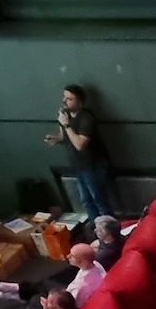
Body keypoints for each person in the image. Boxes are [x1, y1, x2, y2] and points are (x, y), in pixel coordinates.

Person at [43, 85, 113, 222]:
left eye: (70, 99)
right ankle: (96, 227)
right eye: (64, 97)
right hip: (78, 166)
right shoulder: (66, 115)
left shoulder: (86, 119)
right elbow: (66, 137)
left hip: (93, 166)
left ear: (79, 102)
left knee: (99, 200)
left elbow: (80, 144)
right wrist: (56, 138)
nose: (64, 101)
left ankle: (110, 227)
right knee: (86, 201)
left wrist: (66, 125)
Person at [63, 242, 106, 308]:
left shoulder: (82, 287)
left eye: (72, 256)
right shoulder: (96, 264)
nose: (68, 256)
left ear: (84, 262)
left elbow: (73, 305)